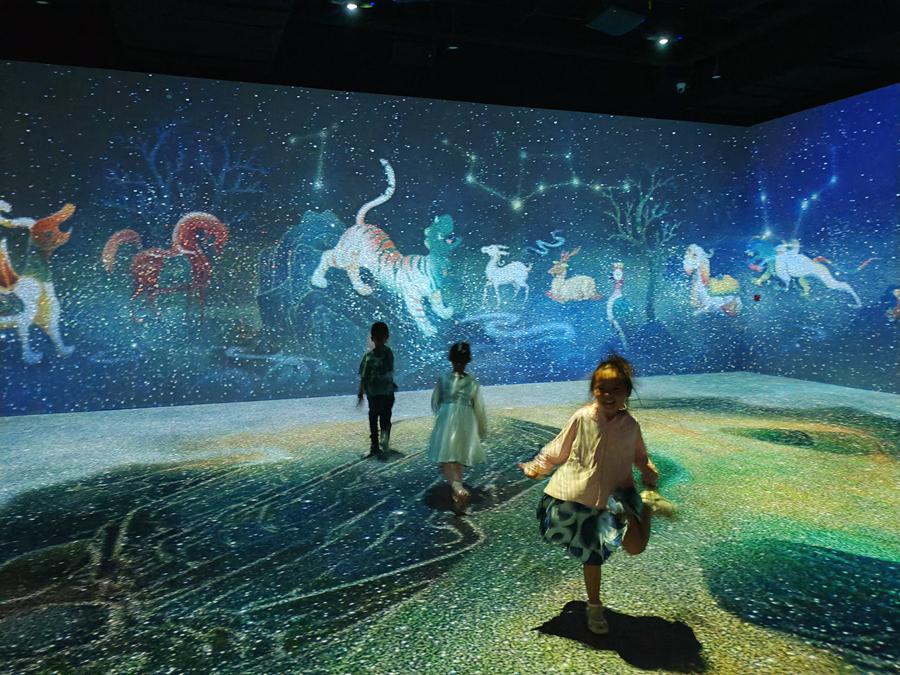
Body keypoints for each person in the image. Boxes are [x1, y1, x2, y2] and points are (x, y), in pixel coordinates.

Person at [519, 354, 661, 635]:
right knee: (592, 557)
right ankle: (594, 607)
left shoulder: (630, 425)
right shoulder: (583, 417)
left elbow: (640, 455)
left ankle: (645, 507)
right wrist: (537, 467)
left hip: (618, 495)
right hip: (580, 496)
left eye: (615, 389)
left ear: (627, 392)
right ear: (593, 390)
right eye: (601, 388)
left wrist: (648, 468)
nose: (608, 394)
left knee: (636, 547)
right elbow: (558, 449)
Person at [427, 341, 488, 512]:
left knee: (445, 457)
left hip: (447, 417)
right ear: (467, 360)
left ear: (451, 359)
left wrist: (445, 411)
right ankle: (458, 496)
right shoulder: (472, 381)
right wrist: (480, 427)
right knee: (459, 455)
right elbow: (478, 406)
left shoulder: (444, 378)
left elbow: (436, 402)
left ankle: (458, 489)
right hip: (466, 418)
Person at [357, 321, 397, 459]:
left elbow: (365, 376)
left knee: (382, 418)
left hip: (383, 393)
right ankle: (376, 445)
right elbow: (364, 376)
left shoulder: (382, 354)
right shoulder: (370, 356)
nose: (379, 341)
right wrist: (361, 392)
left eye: (381, 338)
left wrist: (361, 392)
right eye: (378, 338)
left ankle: (381, 443)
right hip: (376, 394)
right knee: (376, 418)